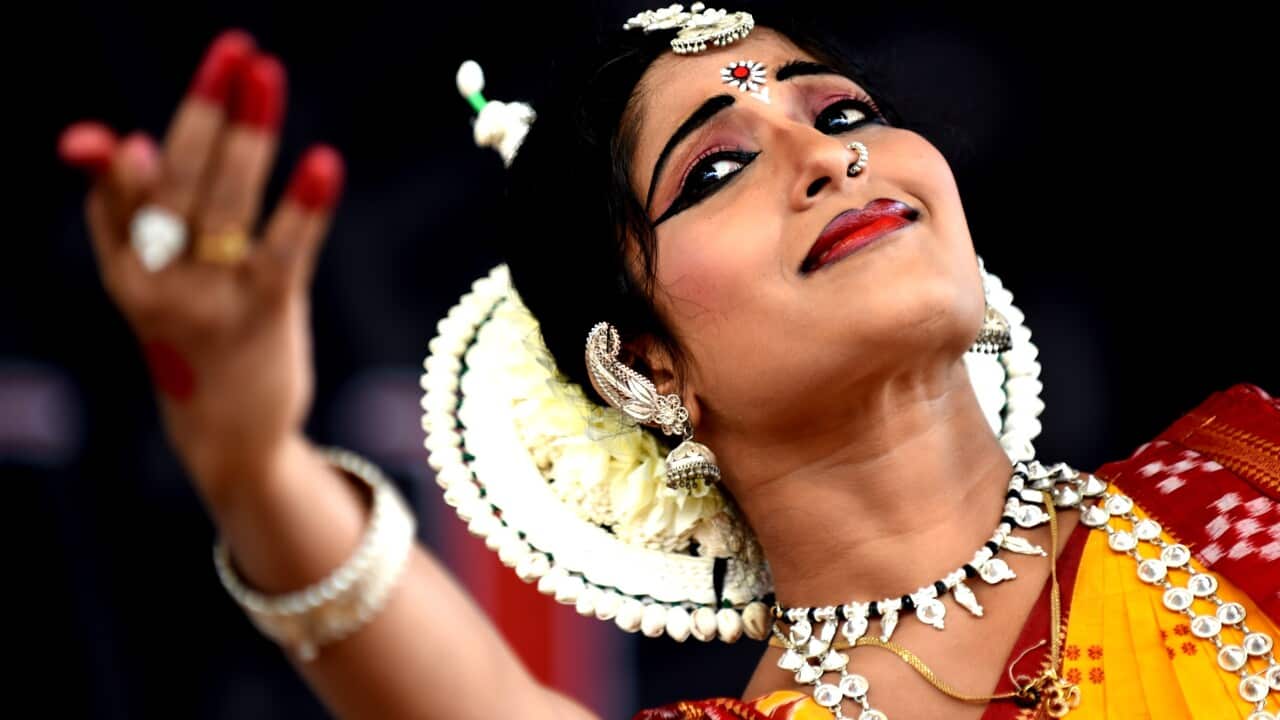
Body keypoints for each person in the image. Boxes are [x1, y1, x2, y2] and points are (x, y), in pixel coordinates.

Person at [56, 4, 1278, 719]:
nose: (826, 156)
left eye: (841, 111)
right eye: (714, 168)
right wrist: (254, 466)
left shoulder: (1247, 472)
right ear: (643, 368)